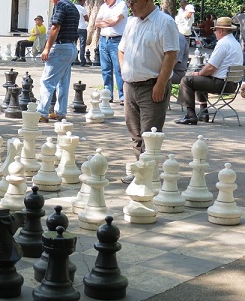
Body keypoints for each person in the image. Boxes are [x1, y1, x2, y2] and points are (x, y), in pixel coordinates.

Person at [118, 0, 179, 183]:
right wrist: (124, 73)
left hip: (152, 85)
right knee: (135, 133)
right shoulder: (131, 22)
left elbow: (171, 54)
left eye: (132, 2)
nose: (130, 5)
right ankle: (140, 171)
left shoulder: (165, 22)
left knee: (150, 134)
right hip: (130, 85)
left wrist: (160, 84)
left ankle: (149, 173)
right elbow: (121, 50)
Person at [175, 17, 243, 125]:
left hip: (220, 83)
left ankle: (191, 115)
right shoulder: (236, 43)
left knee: (186, 80)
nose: (214, 33)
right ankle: (203, 113)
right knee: (197, 78)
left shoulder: (223, 44)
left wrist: (199, 73)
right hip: (232, 84)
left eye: (215, 30)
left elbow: (211, 68)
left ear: (220, 31)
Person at [36, 0, 79, 123]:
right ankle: (60, 112)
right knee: (63, 82)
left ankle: (42, 112)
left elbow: (55, 27)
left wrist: (47, 48)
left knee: (47, 81)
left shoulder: (60, 6)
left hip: (60, 47)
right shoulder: (72, 6)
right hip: (71, 47)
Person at [95, 0, 128, 104]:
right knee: (105, 69)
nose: (104, 0)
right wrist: (108, 22)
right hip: (104, 39)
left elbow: (115, 21)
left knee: (119, 69)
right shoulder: (103, 6)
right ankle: (107, 95)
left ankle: (123, 96)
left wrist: (104, 22)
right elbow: (96, 22)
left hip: (117, 40)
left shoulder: (121, 5)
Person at [75, 0, 89, 67]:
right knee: (82, 45)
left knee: (73, 44)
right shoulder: (82, 8)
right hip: (82, 28)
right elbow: (87, 18)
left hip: (74, 28)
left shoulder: (73, 7)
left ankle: (74, 59)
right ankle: (82, 61)